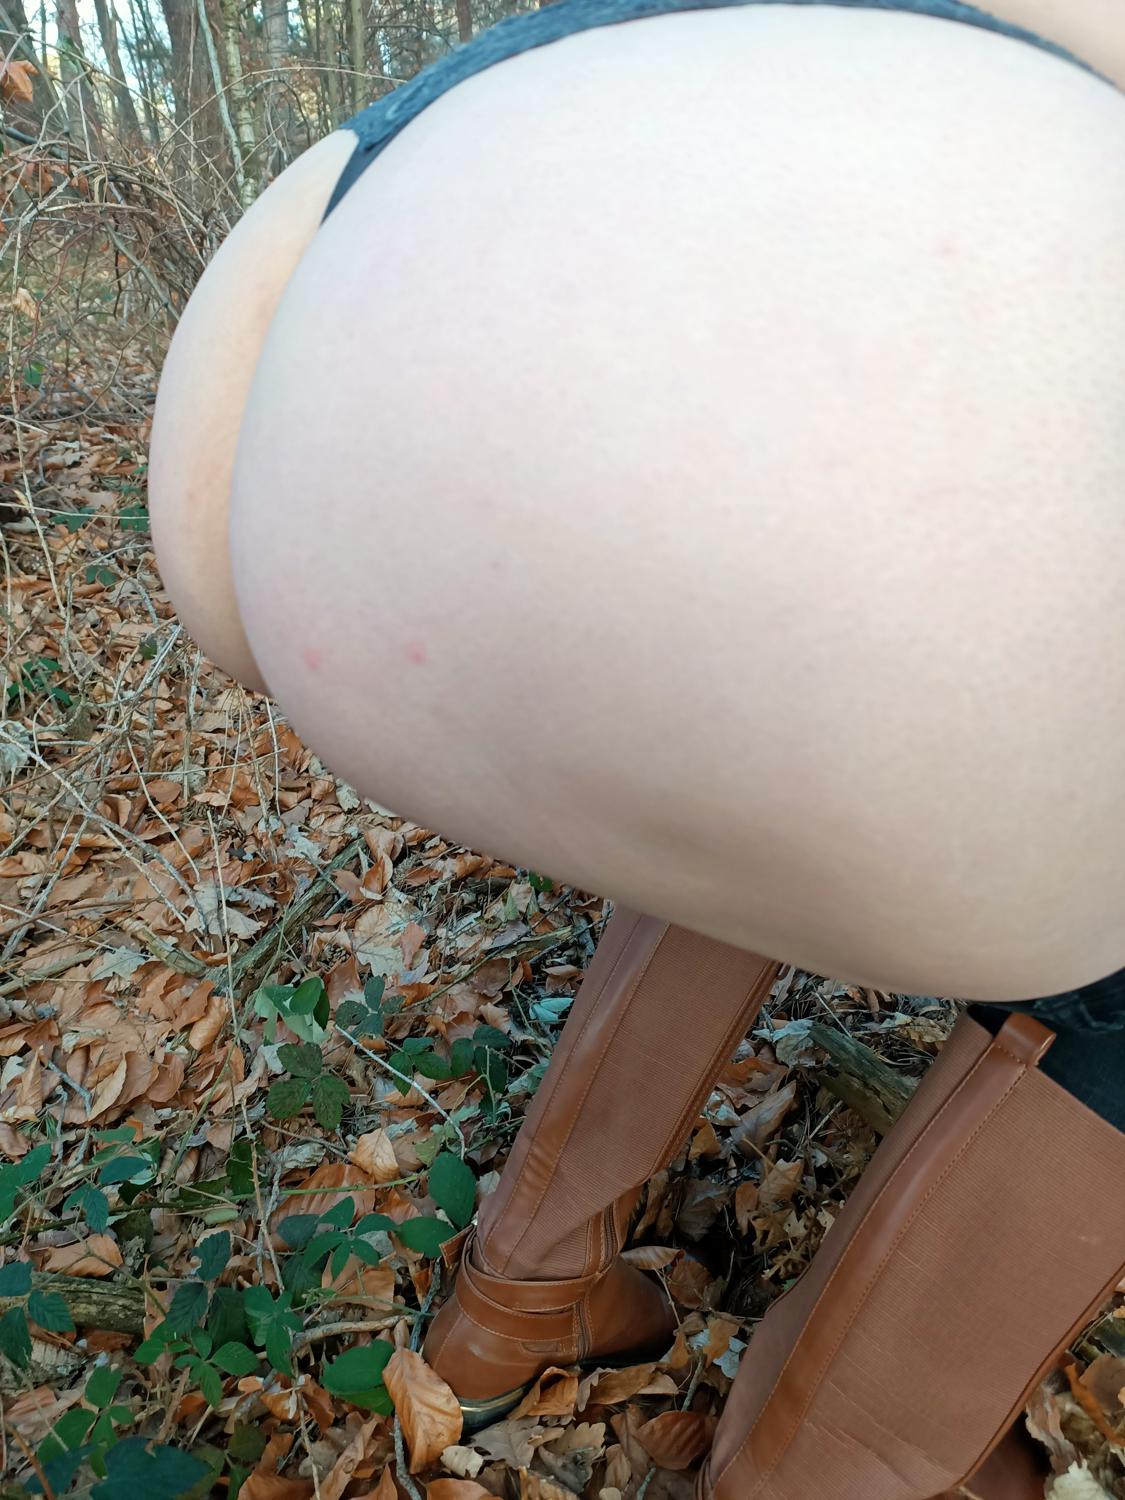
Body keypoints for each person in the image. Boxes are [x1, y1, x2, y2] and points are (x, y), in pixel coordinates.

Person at [148, 3, 1125, 1494]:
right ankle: (824, 1465)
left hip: (371, 270)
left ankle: (516, 1297)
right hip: (960, 366)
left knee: (729, 774)